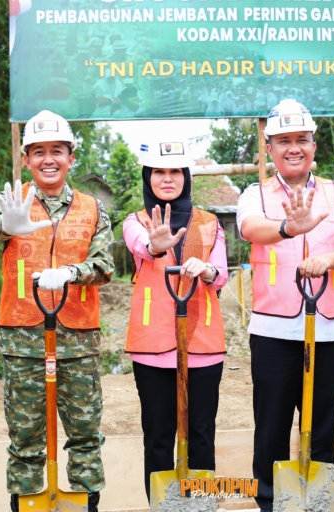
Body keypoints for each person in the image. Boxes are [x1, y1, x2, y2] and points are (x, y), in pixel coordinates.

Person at [236, 99, 334, 512]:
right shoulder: (255, 194)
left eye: (302, 140)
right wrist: (287, 228)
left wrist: (326, 261)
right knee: (271, 426)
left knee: (321, 424)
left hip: (327, 328)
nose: (294, 148)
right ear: (269, 148)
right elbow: (249, 229)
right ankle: (272, 503)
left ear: (314, 145)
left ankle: (318, 501)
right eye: (284, 141)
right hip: (274, 331)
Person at [0, 110, 113, 512]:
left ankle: (84, 504)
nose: (48, 159)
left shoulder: (93, 208)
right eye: (38, 152)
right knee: (24, 436)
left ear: (71, 157)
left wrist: (72, 272)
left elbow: (105, 265)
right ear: (26, 159)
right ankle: (25, 504)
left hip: (77, 337)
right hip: (22, 339)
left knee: (85, 433)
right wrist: (8, 224)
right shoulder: (10, 199)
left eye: (57, 150)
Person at [123, 137, 228, 501]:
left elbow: (222, 275)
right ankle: (163, 507)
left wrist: (209, 270)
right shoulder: (135, 222)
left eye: (174, 171)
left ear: (185, 175)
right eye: (158, 172)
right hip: (152, 347)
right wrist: (157, 244)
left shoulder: (211, 223)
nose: (167, 179)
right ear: (147, 176)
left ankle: (199, 506)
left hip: (203, 345)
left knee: (201, 433)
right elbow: (143, 246)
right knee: (158, 436)